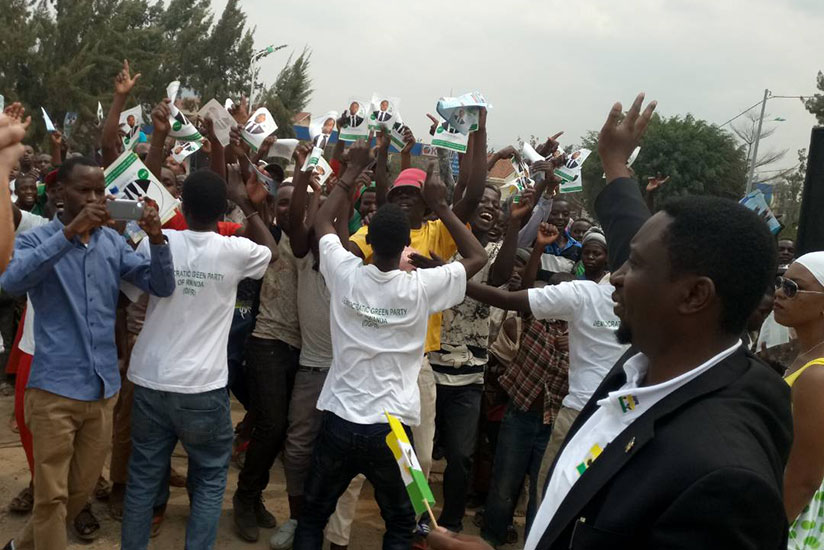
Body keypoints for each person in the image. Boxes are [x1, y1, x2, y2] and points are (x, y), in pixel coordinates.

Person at [429, 93, 792, 550]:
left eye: (633, 265)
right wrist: (614, 162)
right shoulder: (651, 366)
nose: (614, 277)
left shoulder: (719, 479)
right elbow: (631, 229)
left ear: (695, 294)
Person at [293, 141, 488, 550]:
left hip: (340, 420)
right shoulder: (422, 286)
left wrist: (350, 173)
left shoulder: (345, 273)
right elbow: (477, 257)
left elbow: (324, 224)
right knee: (400, 524)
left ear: (369, 239)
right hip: (392, 429)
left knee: (313, 516)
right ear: (405, 245)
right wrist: (443, 206)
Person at [0, 156, 175, 550]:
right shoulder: (35, 238)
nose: (96, 198)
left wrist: (158, 238)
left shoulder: (111, 242)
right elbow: (12, 281)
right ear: (60, 192)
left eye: (100, 190)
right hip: (54, 392)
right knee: (52, 498)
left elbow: (160, 286)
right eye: (85, 190)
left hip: (101, 392)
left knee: (77, 495)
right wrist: (69, 233)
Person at [120, 169, 276, 550]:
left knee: (142, 479)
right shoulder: (234, 252)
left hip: (151, 380)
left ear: (182, 206)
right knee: (208, 480)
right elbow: (270, 248)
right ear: (222, 209)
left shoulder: (157, 241)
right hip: (203, 387)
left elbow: (130, 296)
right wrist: (246, 202)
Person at [423, 186, 532, 533]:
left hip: (468, 377)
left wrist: (515, 224)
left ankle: (451, 521)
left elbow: (500, 278)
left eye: (494, 206)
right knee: (419, 456)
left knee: (461, 456)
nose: (487, 208)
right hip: (427, 368)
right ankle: (413, 517)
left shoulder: (498, 250)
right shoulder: (443, 245)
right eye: (481, 202)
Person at [233, 181, 300, 543]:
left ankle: (253, 494)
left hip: (302, 349)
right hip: (266, 341)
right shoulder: (267, 235)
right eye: (284, 202)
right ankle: (245, 497)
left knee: (280, 428)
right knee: (271, 425)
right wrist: (249, 205)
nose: (291, 208)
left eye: (297, 201)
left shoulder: (316, 237)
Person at [773, 253, 824, 549]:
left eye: (793, 287)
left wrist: (767, 532)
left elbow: (805, 477)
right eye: (781, 282)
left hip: (798, 518)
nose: (779, 292)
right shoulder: (805, 356)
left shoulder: (816, 376)